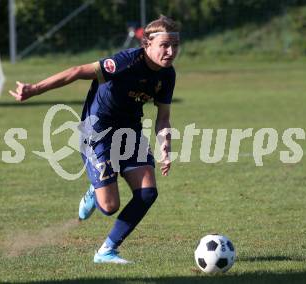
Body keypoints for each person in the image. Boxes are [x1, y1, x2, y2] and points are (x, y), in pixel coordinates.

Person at [9, 15, 180, 264]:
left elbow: (163, 117)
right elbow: (78, 72)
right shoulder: (125, 62)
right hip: (97, 131)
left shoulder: (167, 75)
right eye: (165, 45)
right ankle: (95, 188)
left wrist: (165, 146)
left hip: (129, 131)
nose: (171, 51)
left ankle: (106, 251)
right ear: (147, 44)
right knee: (109, 206)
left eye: (175, 46)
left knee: (147, 193)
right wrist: (34, 89)